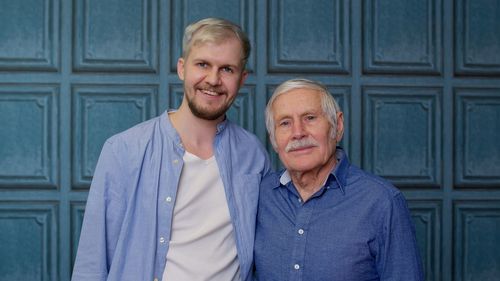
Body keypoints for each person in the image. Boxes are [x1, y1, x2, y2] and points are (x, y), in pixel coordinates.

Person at [72, 18, 271, 281]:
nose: (213, 79)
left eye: (227, 69)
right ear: (182, 68)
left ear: (242, 78)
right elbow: (91, 262)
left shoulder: (253, 155)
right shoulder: (124, 150)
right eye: (202, 64)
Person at [254, 78, 423, 281]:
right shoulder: (259, 195)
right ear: (274, 139)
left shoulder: (382, 201)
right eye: (285, 123)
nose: (298, 133)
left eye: (310, 118)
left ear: (338, 125)